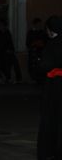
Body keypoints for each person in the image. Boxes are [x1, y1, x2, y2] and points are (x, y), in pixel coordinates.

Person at [36, 15, 62, 160]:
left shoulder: (53, 44)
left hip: (55, 85)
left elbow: (44, 66)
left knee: (51, 118)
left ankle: (50, 150)